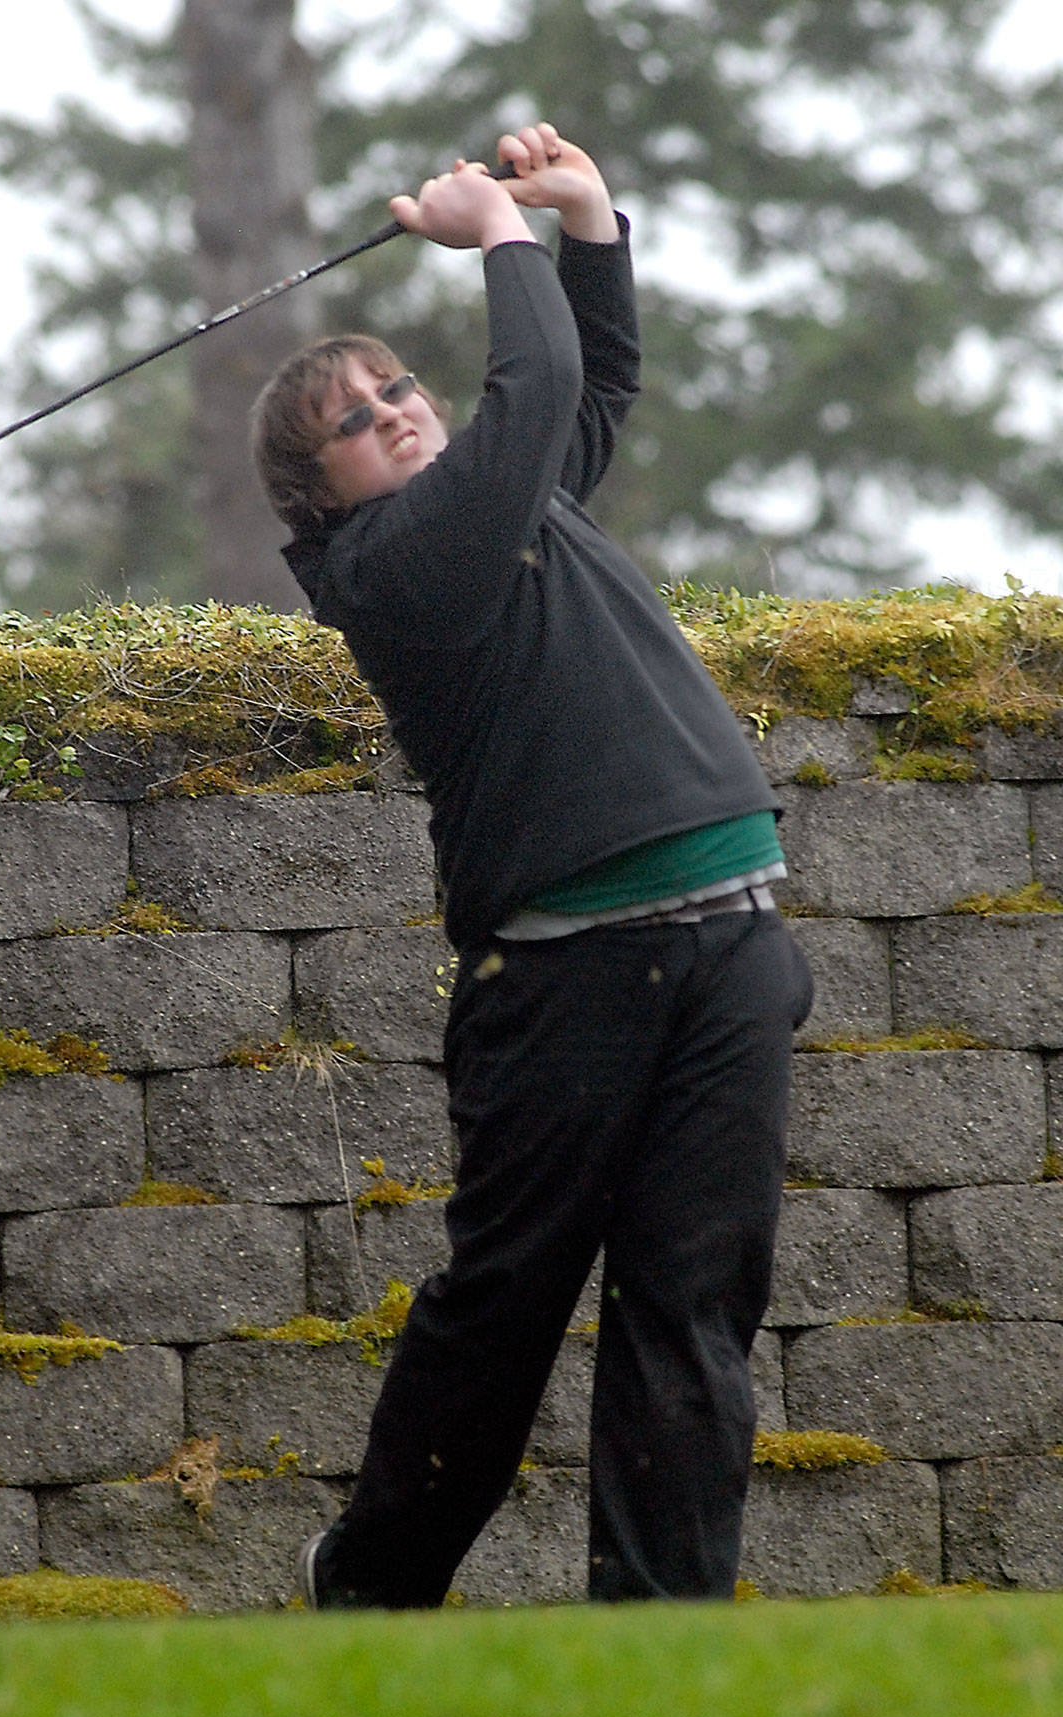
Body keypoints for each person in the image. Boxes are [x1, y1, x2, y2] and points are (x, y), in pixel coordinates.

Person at [250, 122, 814, 1607]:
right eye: (359, 420)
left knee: (693, 1305)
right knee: (503, 1307)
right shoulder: (396, 571)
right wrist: (499, 229)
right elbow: (542, 379)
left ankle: (657, 1628)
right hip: (566, 975)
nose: (398, 414)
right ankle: (371, 1585)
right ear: (323, 497)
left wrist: (588, 226)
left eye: (399, 388)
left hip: (732, 944)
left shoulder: (516, 507)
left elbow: (592, 384)